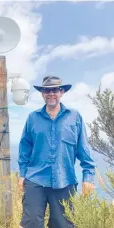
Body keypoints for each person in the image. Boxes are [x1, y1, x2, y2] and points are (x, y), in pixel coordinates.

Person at [18, 76, 96, 228]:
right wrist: (22, 175)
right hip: (35, 179)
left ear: (62, 92)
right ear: (42, 93)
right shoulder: (32, 118)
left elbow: (84, 148)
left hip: (65, 181)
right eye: (47, 90)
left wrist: (88, 176)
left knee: (63, 225)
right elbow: (25, 148)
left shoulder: (75, 117)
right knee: (30, 223)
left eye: (55, 90)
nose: (51, 93)